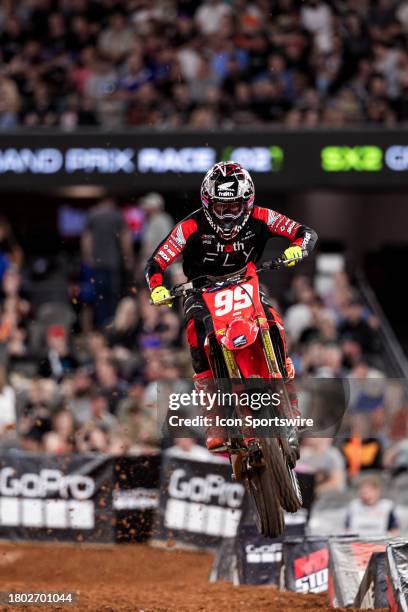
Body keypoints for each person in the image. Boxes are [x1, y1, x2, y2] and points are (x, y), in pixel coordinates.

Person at [145, 161, 317, 455]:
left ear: (247, 202)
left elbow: (306, 232)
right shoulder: (190, 225)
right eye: (220, 207)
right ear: (207, 202)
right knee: (197, 336)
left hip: (245, 282)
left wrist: (297, 248)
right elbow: (156, 262)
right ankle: (215, 421)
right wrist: (158, 287)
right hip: (200, 290)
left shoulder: (262, 216)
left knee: (272, 322)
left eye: (234, 207)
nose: (227, 215)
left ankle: (290, 401)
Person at [81, 197, 133, 326]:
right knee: (113, 296)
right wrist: (128, 258)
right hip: (112, 263)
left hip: (98, 263)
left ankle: (102, 325)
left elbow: (86, 238)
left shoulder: (93, 215)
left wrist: (88, 257)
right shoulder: (116, 215)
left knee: (100, 297)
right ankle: (112, 324)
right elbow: (125, 238)